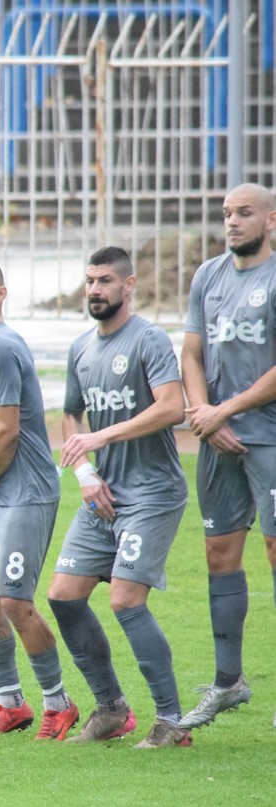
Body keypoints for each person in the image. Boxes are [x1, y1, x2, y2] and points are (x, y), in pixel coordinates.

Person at [47, 247, 191, 748]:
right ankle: (111, 710)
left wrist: (103, 436)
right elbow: (71, 415)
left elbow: (173, 407)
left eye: (105, 280)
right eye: (90, 280)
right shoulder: (81, 348)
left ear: (128, 286)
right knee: (63, 596)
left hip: (152, 493)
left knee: (126, 600)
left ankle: (172, 721)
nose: (94, 290)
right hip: (102, 495)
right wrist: (85, 471)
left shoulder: (149, 339)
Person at [0, 259, 79, 739]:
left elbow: (6, 431)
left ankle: (59, 703)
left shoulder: (2, 348)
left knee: (13, 601)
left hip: (24, 489)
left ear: (0, 294)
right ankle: (11, 704)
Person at [179, 182, 276, 730]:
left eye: (244, 213)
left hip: (267, 436)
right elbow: (192, 353)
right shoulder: (208, 276)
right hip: (217, 438)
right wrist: (202, 414)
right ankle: (227, 682)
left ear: (271, 220)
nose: (232, 222)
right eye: (226, 213)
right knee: (219, 554)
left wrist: (226, 410)